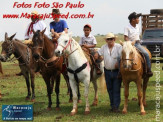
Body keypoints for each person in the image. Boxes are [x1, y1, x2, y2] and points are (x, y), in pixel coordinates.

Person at [16, 11, 48, 76]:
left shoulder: (41, 23)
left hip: (39, 42)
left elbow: (46, 33)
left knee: (38, 51)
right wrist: (27, 40)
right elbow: (26, 34)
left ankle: (41, 67)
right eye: (31, 17)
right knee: (21, 50)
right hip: (31, 41)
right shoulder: (29, 25)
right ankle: (23, 68)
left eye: (33, 16)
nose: (32, 18)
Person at [98, 33, 122, 113]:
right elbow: (98, 54)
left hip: (116, 72)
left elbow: (122, 57)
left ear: (114, 39)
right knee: (110, 89)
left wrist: (118, 63)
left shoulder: (119, 47)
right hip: (107, 71)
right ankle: (112, 106)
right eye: (108, 39)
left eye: (111, 39)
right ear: (106, 40)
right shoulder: (103, 47)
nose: (110, 41)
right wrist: (97, 55)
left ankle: (116, 106)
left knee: (116, 89)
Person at [124, 12, 153, 77]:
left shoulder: (137, 27)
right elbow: (125, 37)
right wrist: (130, 43)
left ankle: (148, 70)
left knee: (146, 54)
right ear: (133, 19)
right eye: (137, 18)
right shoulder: (127, 27)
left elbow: (138, 36)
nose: (139, 20)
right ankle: (120, 72)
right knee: (118, 56)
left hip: (137, 44)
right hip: (129, 44)